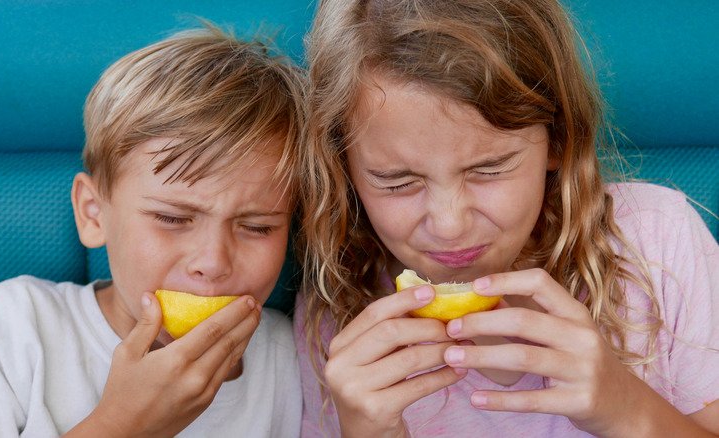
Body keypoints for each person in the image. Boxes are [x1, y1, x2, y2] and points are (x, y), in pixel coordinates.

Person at [294, 0, 719, 437]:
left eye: (489, 169)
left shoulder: (658, 241)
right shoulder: (339, 311)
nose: (450, 224)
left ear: (558, 138)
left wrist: (629, 409)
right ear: (343, 169)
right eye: (398, 181)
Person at [0, 25, 305, 437]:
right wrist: (123, 426)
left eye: (257, 227)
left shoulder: (295, 361)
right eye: (172, 219)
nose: (213, 262)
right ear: (94, 214)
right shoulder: (13, 331)